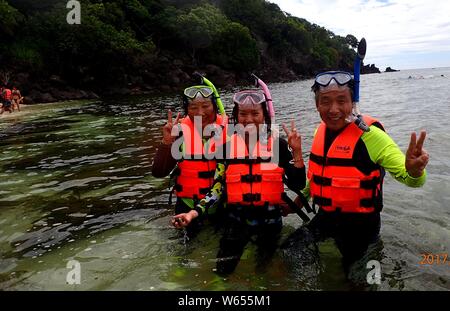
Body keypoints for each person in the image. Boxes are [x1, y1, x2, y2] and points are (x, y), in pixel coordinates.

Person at [285, 71, 429, 275]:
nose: (333, 109)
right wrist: (298, 202)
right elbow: (319, 176)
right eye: (325, 101)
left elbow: (413, 181)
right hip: (326, 217)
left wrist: (415, 171)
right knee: (290, 250)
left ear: (353, 103)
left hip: (361, 227)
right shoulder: (320, 132)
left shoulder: (372, 136)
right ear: (317, 105)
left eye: (341, 101)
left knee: (356, 279)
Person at [173, 89, 308, 275]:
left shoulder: (278, 145)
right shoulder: (226, 148)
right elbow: (218, 188)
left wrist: (298, 153)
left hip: (270, 223)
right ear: (236, 116)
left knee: (263, 270)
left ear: (264, 116)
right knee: (221, 272)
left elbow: (298, 184)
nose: (249, 119)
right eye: (243, 114)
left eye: (255, 113)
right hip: (236, 222)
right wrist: (193, 213)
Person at [152, 84, 227, 238]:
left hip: (220, 207)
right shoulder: (178, 132)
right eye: (193, 107)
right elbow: (159, 173)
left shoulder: (229, 131)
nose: (200, 113)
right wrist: (167, 142)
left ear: (214, 106)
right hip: (186, 206)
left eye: (206, 106)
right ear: (186, 110)